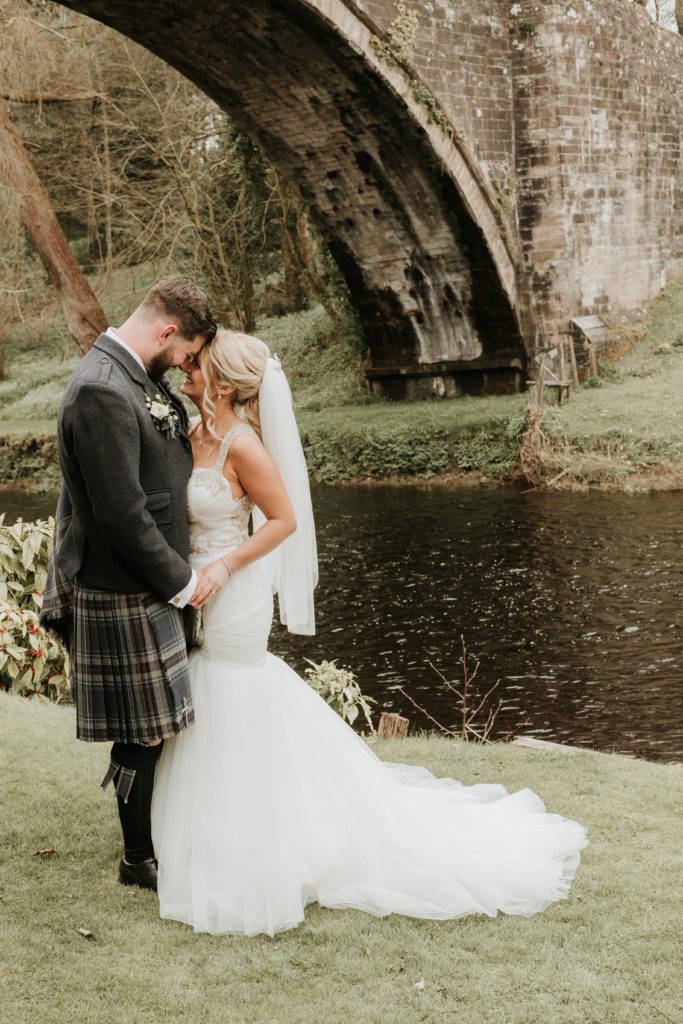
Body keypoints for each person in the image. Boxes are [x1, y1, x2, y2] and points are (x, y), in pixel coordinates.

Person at [151, 329, 588, 938]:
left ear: (221, 382)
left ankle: (257, 841)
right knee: (213, 687)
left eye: (195, 364)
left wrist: (223, 566)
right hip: (196, 585)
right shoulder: (192, 434)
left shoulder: (245, 446)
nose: (184, 368)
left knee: (232, 688)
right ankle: (218, 829)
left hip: (236, 590)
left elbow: (284, 521)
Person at [40, 276, 217, 891]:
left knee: (153, 722)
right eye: (188, 353)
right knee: (142, 724)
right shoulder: (100, 390)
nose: (187, 365)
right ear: (167, 331)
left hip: (144, 578)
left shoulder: (137, 378)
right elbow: (119, 513)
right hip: (124, 583)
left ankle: (144, 846)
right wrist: (181, 581)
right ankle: (137, 859)